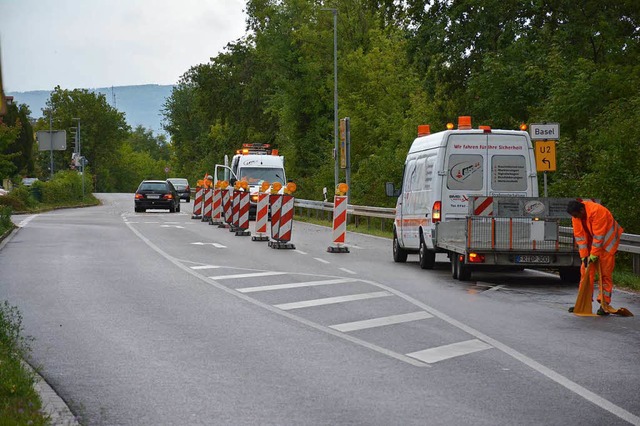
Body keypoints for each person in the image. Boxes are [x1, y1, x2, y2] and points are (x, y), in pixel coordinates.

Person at [566, 200, 623, 315]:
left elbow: (599, 235)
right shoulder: (576, 216)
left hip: (607, 244)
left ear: (582, 210)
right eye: (574, 216)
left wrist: (594, 254)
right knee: (585, 272)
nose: (575, 218)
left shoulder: (597, 211)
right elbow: (580, 237)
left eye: (576, 215)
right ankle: (583, 301)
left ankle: (604, 303)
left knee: (605, 274)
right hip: (593, 245)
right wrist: (584, 257)